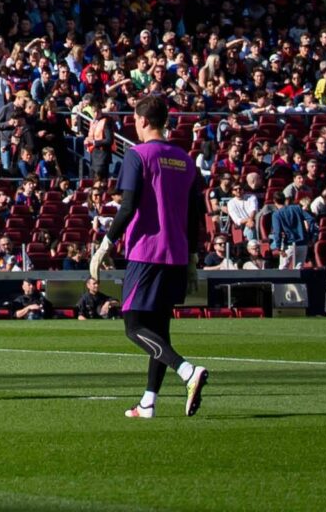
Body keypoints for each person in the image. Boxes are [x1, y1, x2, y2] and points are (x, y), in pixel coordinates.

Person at [104, 91, 211, 419]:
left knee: (134, 326)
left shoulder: (138, 155)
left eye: (135, 120)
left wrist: (105, 244)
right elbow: (197, 212)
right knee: (160, 330)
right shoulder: (185, 159)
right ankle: (148, 403)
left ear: (144, 120)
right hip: (177, 254)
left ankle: (187, 371)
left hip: (147, 252)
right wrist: (193, 257)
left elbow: (128, 206)